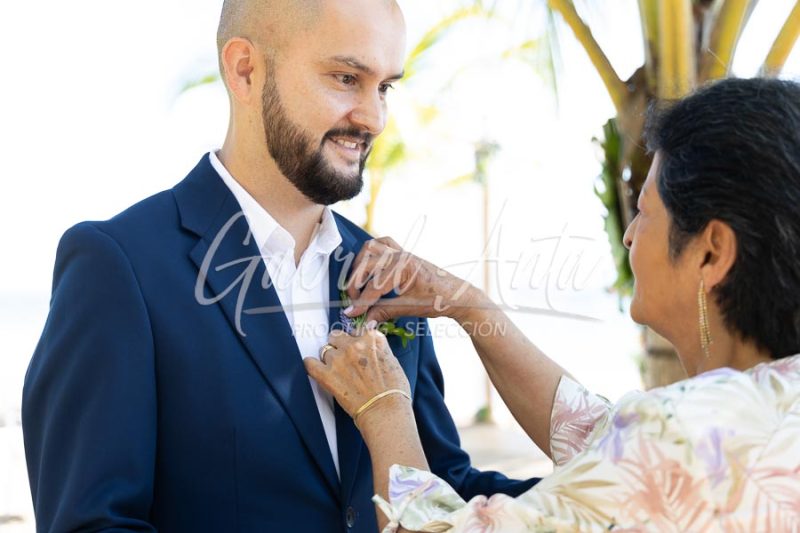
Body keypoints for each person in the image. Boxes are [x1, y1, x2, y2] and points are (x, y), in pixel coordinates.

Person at [21, 1, 537, 531]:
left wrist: (607, 495)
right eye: (345, 78)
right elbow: (92, 523)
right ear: (245, 69)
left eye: (384, 87)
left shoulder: (390, 278)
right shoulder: (119, 265)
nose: (374, 118)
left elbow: (441, 487)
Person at [306, 77, 800, 532]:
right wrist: (468, 306)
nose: (629, 235)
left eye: (646, 212)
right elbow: (599, 438)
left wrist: (385, 409)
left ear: (711, 251)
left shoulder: (678, 436)